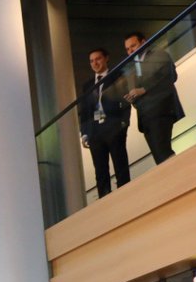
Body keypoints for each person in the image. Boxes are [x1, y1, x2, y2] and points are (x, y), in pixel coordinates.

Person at [124, 31, 184, 165]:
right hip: (145, 117)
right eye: (127, 49)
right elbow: (135, 91)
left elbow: (170, 76)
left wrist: (143, 89)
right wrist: (132, 98)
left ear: (143, 42)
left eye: (133, 46)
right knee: (159, 157)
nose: (130, 51)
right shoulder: (132, 67)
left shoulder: (159, 54)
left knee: (164, 153)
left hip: (161, 110)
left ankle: (180, 175)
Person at [79, 48, 132, 198]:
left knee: (120, 164)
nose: (95, 63)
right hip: (95, 131)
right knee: (100, 170)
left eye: (98, 59)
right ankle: (105, 200)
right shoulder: (88, 85)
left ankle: (126, 196)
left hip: (114, 127)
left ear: (106, 58)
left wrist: (124, 124)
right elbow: (84, 111)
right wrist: (84, 133)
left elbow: (125, 101)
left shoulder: (117, 76)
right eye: (91, 61)